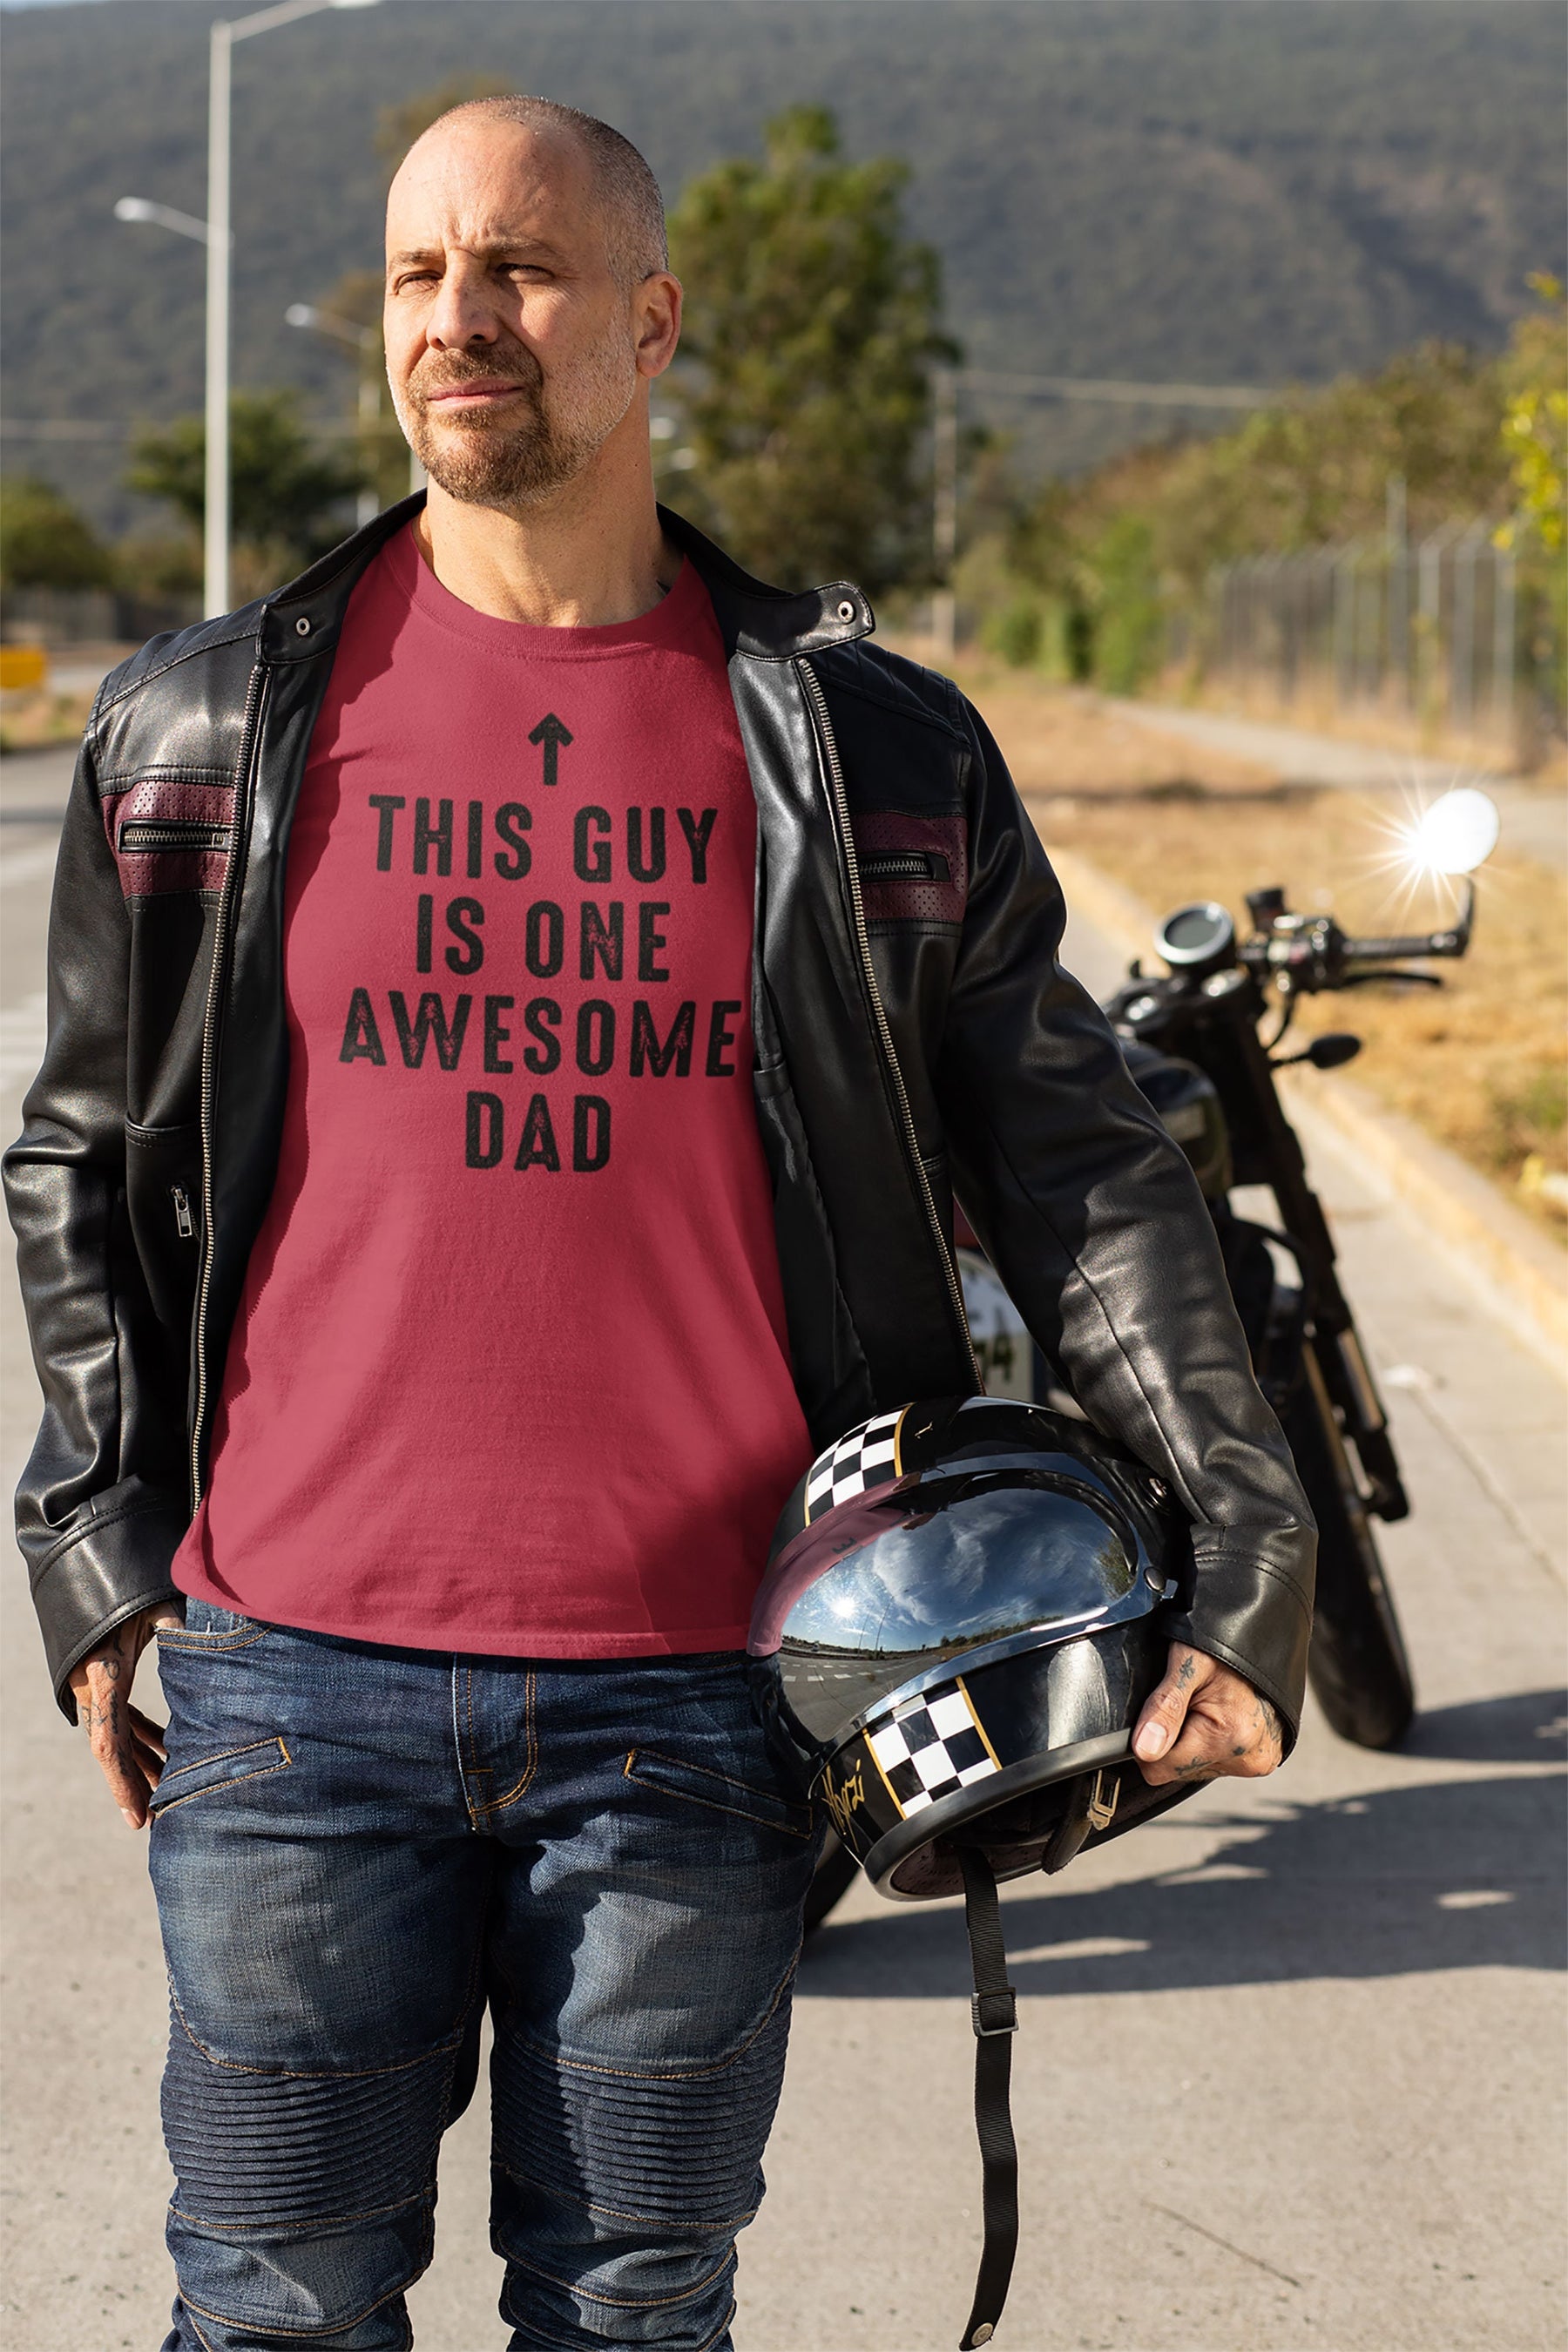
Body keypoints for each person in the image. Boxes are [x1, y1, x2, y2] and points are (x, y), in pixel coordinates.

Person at [4, 96, 1313, 2352]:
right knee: (276, 2304)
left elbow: (1085, 1172)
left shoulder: (873, 752)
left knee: (634, 2307)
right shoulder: (207, 725)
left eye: (517, 268)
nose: (456, 318)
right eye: (416, 274)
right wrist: (98, 1557)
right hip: (292, 1687)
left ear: (652, 320)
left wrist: (1249, 1557)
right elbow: (81, 1158)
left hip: (709, 1693)